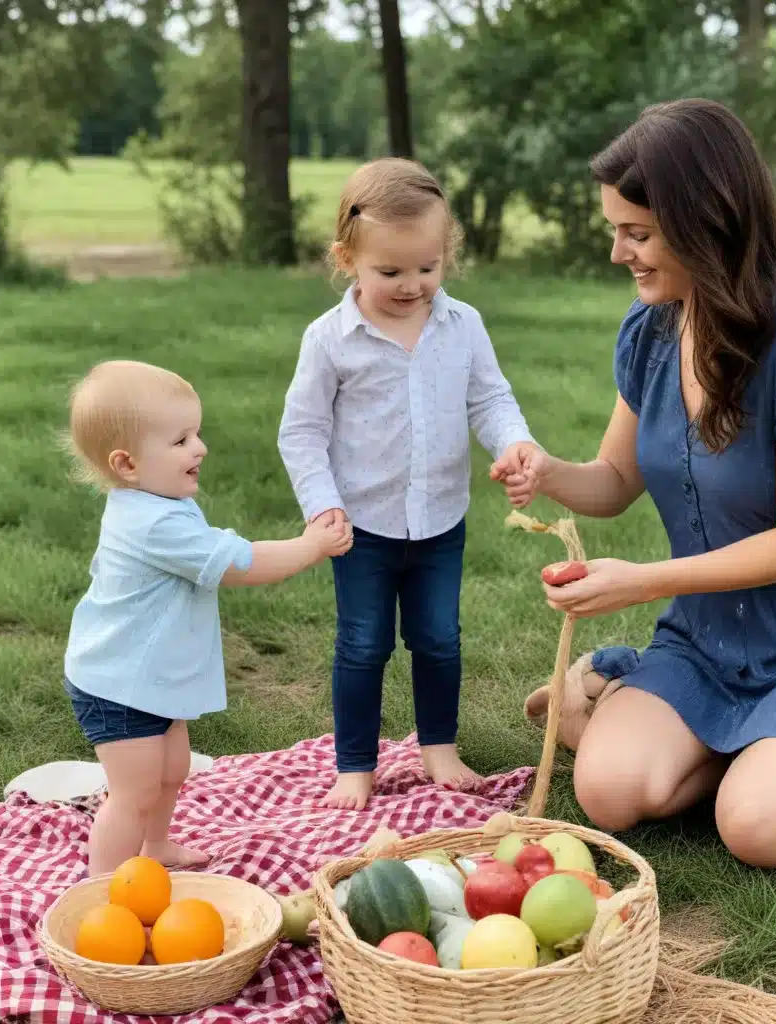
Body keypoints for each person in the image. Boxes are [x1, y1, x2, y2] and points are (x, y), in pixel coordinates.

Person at [491, 98, 776, 868]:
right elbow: (612, 481)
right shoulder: (653, 331)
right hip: (706, 644)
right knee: (607, 793)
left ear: (706, 222)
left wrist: (640, 583)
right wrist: (549, 472)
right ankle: (730, 740)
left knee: (760, 831)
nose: (618, 253)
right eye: (616, 230)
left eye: (636, 233)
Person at [278, 157, 539, 811]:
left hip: (439, 519)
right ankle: (355, 765)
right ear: (347, 259)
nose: (411, 285)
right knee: (363, 642)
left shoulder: (463, 326)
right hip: (361, 525)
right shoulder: (330, 341)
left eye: (428, 268)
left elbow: (490, 400)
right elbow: (302, 432)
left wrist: (514, 442)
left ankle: (438, 746)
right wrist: (322, 506)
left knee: (438, 637)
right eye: (389, 271)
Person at [64, 360, 352, 876]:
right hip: (117, 682)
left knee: (171, 770)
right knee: (135, 790)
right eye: (180, 441)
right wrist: (311, 547)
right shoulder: (151, 523)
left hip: (149, 676)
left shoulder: (158, 500)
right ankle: (102, 887)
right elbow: (241, 565)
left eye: (197, 433)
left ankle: (155, 848)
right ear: (127, 464)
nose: (200, 448)